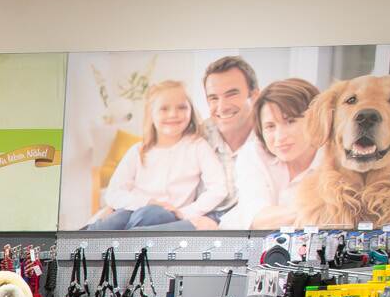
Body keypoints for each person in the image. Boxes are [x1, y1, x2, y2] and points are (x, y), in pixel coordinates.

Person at [86, 80, 228, 230]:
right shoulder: (138, 150)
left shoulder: (197, 146)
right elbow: (114, 193)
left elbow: (219, 188)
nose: (173, 114)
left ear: (191, 111)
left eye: (182, 107)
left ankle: (124, 245)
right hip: (133, 209)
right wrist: (147, 202)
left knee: (152, 214)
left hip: (168, 216)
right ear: (151, 113)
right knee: (114, 220)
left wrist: (186, 212)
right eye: (164, 109)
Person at [225, 78, 321, 230]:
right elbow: (258, 218)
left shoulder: (334, 158)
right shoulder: (253, 154)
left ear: (316, 119)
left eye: (290, 121)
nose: (280, 137)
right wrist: (320, 214)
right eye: (270, 126)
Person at [190, 54, 260, 228]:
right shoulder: (197, 136)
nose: (222, 107)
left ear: (255, 95)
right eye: (213, 98)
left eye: (232, 94)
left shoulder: (271, 138)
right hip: (201, 226)